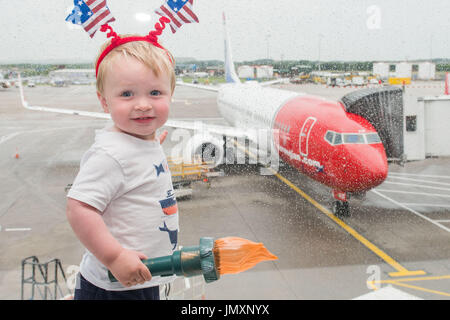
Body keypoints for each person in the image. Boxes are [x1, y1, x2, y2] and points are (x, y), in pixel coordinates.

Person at [66, 35, 178, 300]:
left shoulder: (138, 140)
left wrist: (149, 147)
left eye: (155, 92)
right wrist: (114, 257)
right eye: (127, 94)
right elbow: (79, 208)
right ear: (104, 101)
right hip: (114, 284)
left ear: (170, 94)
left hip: (140, 274)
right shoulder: (111, 156)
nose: (142, 104)